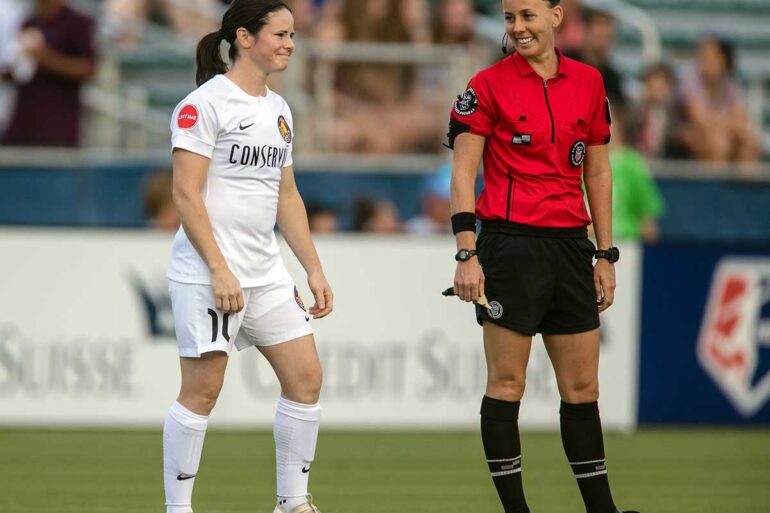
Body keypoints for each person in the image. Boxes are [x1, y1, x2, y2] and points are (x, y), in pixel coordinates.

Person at [445, 1, 638, 512]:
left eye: (527, 15)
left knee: (582, 388)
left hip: (572, 246)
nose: (517, 27)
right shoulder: (486, 85)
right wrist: (467, 252)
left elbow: (597, 172)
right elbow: (464, 173)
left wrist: (605, 254)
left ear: (557, 17)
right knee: (507, 383)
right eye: (510, 17)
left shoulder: (591, 82)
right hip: (508, 246)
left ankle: (603, 510)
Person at [164, 2, 332, 513]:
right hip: (208, 272)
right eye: (280, 34)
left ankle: (292, 502)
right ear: (244, 37)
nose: (289, 43)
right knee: (203, 393)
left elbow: (287, 196)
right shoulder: (203, 105)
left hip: (266, 274)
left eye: (292, 34)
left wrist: (313, 267)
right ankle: (178, 508)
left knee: (306, 379)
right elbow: (186, 195)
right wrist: (218, 267)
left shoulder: (279, 110)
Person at [1, 0, 97, 147]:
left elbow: (88, 69)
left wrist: (45, 58)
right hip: (23, 127)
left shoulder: (76, 23)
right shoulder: (29, 22)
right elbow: (21, 72)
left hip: (56, 129)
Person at [676, 34, 760, 163]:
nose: (703, 59)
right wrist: (726, 123)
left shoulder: (729, 85)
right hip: (684, 134)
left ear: (723, 60)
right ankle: (714, 182)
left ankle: (744, 181)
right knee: (718, 140)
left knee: (749, 139)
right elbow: (700, 119)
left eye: (709, 56)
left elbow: (741, 118)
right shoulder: (690, 81)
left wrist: (725, 125)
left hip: (719, 131)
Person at [609, 108, 665, 243]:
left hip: (625, 244)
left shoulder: (633, 164)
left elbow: (647, 218)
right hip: (586, 244)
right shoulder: (580, 162)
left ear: (619, 125)